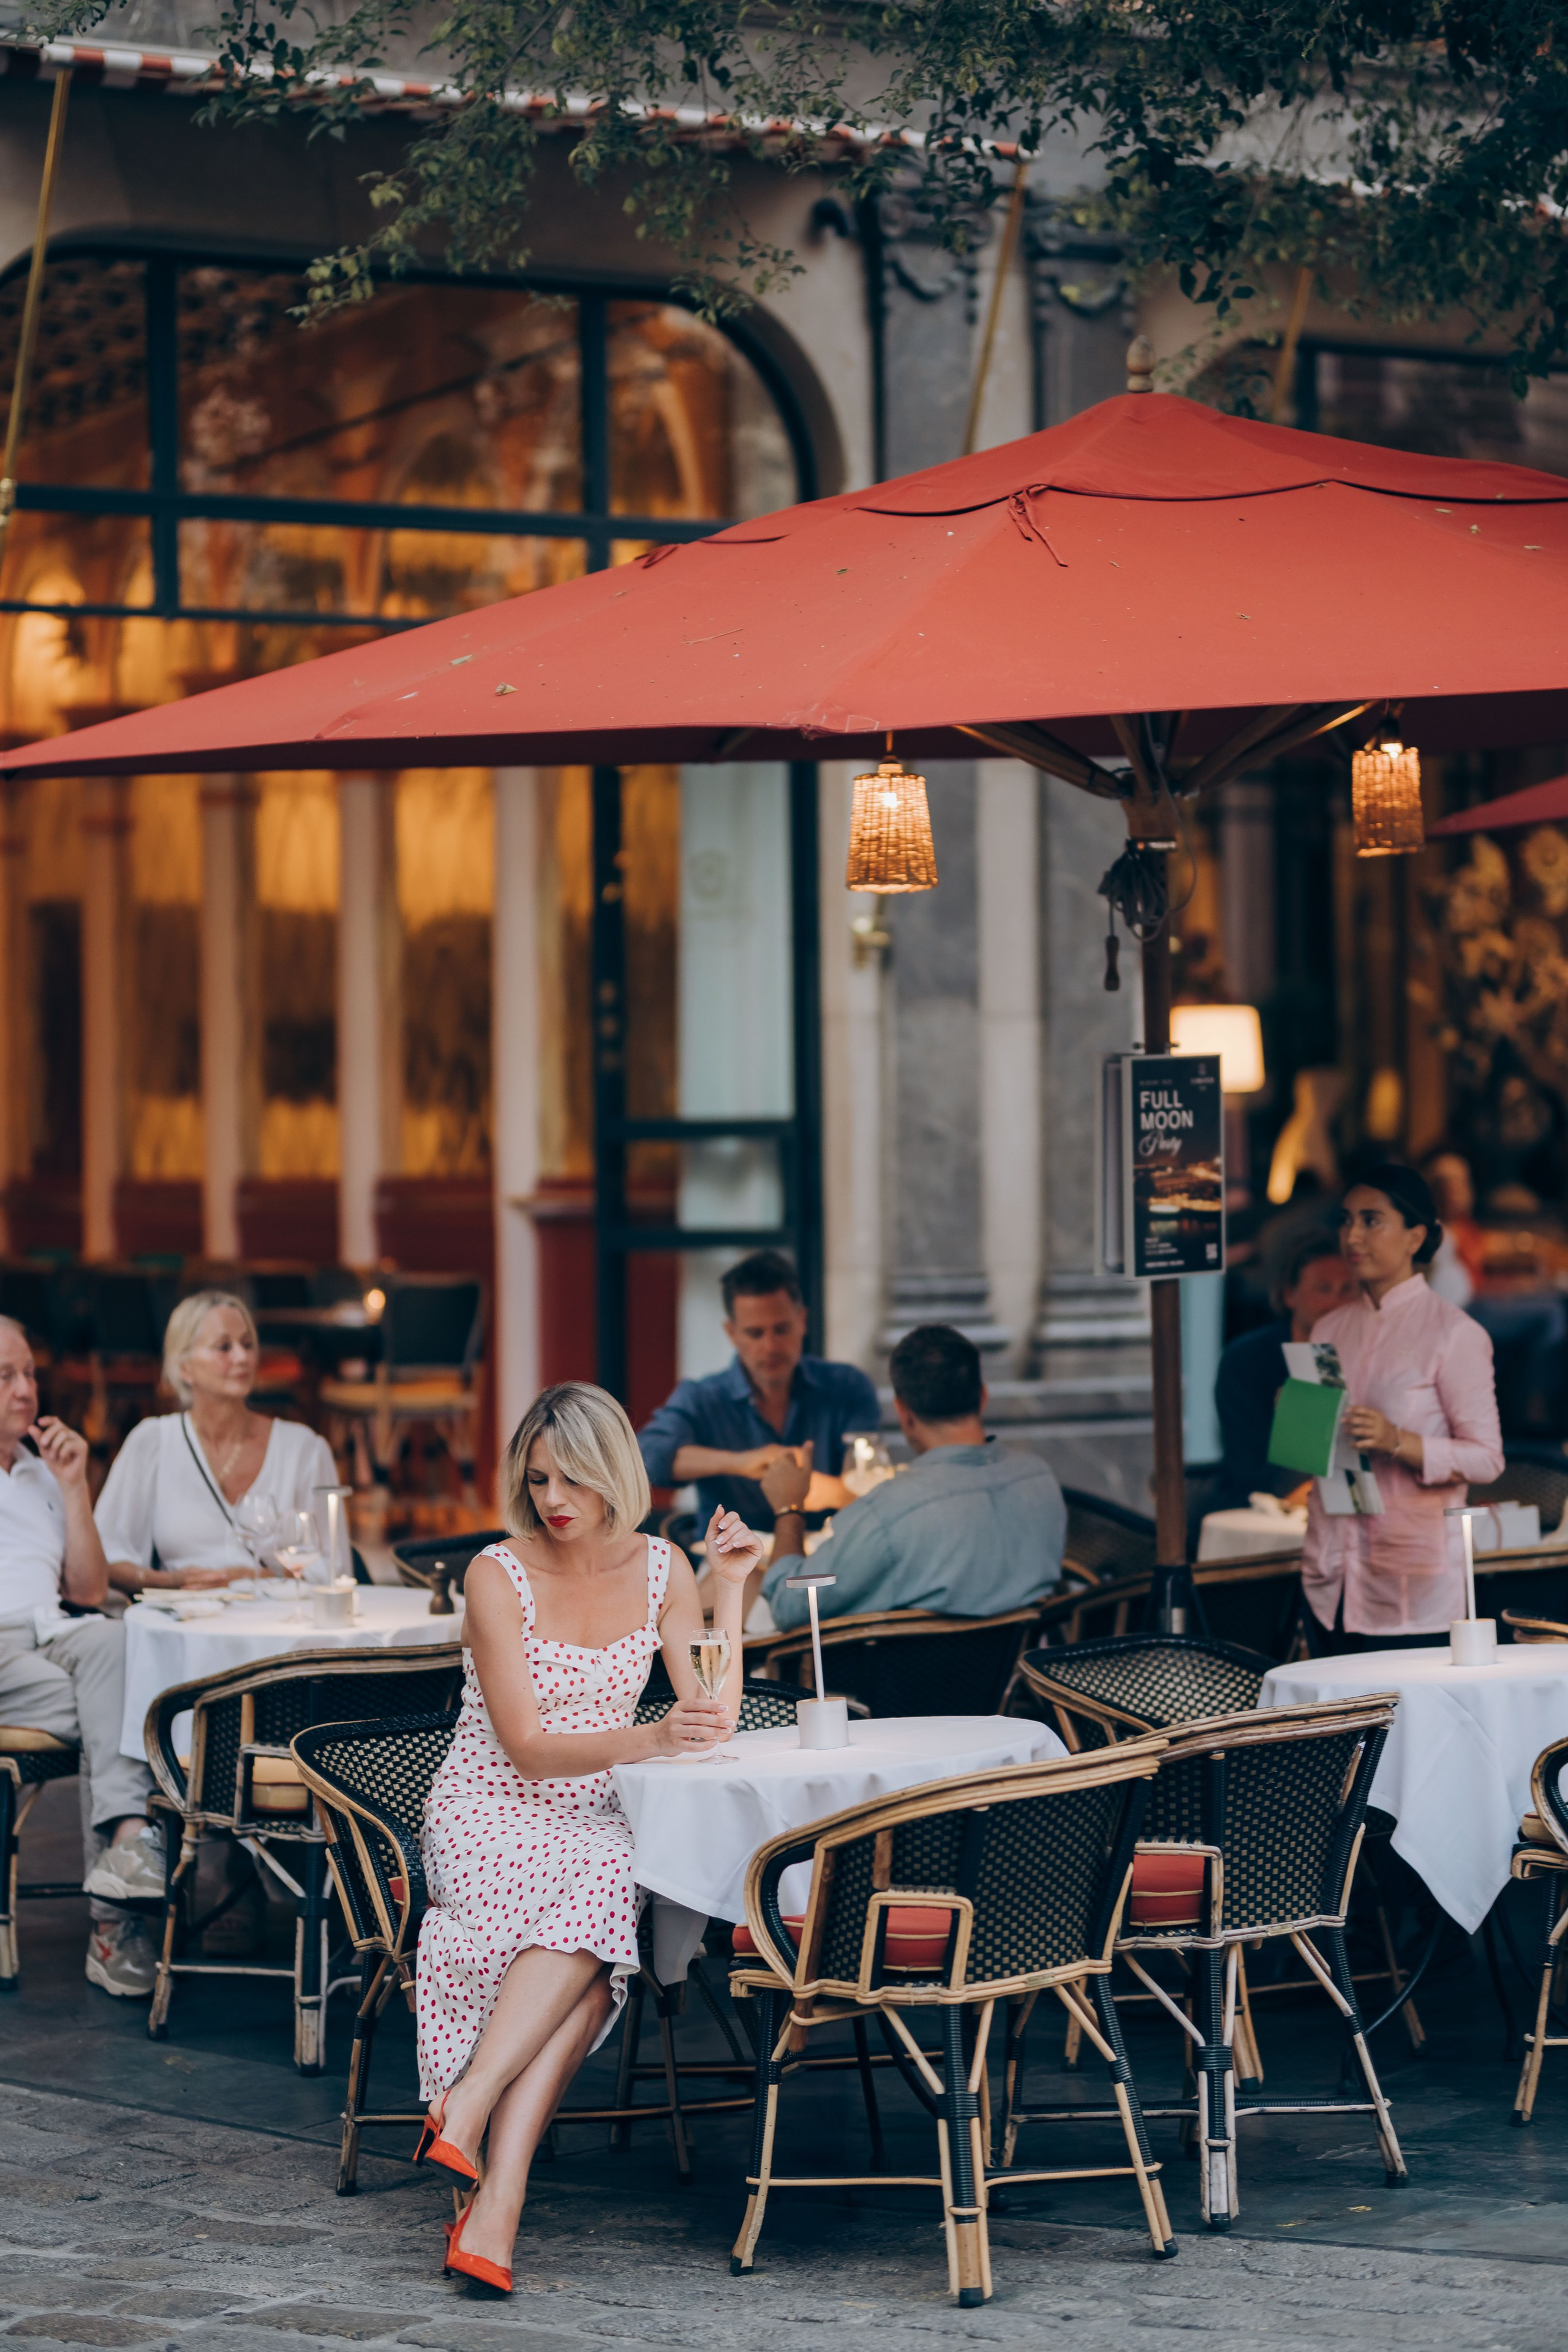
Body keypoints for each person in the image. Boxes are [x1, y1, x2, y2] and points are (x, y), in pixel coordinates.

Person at [414, 1381, 762, 2291]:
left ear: (615, 1474)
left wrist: (730, 1588)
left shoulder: (661, 1568)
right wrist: (652, 1738)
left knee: (606, 1915)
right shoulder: (498, 1574)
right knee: (607, 1911)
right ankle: (486, 2146)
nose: (554, 1501)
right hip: (490, 1805)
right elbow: (526, 1751)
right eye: (537, 1482)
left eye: (572, 1480)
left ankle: (487, 2169)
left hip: (598, 1813)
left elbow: (709, 1714)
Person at [0, 1315, 164, 1996]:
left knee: (117, 1638)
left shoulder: (40, 1471)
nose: (24, 1390)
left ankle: (127, 1847)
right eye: (4, 1377)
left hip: (52, 1634)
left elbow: (89, 1590)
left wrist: (74, 1486)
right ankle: (112, 1925)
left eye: (30, 1373)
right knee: (123, 1709)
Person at [1301, 1163, 1504, 1653]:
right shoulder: (1328, 1330)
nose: (1353, 1235)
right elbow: (1313, 1458)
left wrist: (1400, 1442)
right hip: (1331, 1577)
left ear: (1415, 1237)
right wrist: (1299, 1420)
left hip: (1410, 1586)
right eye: (1347, 1220)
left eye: (1372, 1221)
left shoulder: (1453, 1334)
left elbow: (1488, 1459)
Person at [758, 1324, 1065, 1628]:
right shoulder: (1040, 1478)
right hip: (1026, 1670)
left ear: (904, 1413)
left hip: (912, 1676)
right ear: (983, 1397)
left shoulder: (887, 1514)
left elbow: (790, 1608)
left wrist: (789, 1509)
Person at [95, 1292, 339, 1592]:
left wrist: (246, 1580)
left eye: (248, 1345)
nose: (243, 1357)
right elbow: (105, 1556)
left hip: (277, 1623)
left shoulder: (304, 1450)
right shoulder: (152, 1443)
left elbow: (333, 1570)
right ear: (184, 1368)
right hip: (185, 1622)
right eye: (224, 1347)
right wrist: (168, 1582)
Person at [637, 1249, 878, 1528]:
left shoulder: (847, 1386)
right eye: (755, 1333)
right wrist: (741, 1462)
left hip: (830, 1556)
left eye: (782, 1329)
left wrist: (828, 1491)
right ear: (732, 1333)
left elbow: (873, 1479)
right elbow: (645, 1457)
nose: (771, 1347)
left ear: (802, 1320)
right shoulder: (702, 1398)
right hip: (731, 1560)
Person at [1212, 1235, 1359, 1512]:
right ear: (1290, 1295)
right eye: (1323, 1289)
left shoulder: (1368, 1357)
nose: (1337, 1303)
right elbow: (1252, 1472)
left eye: (1348, 1289)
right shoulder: (1246, 1360)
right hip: (1260, 1512)